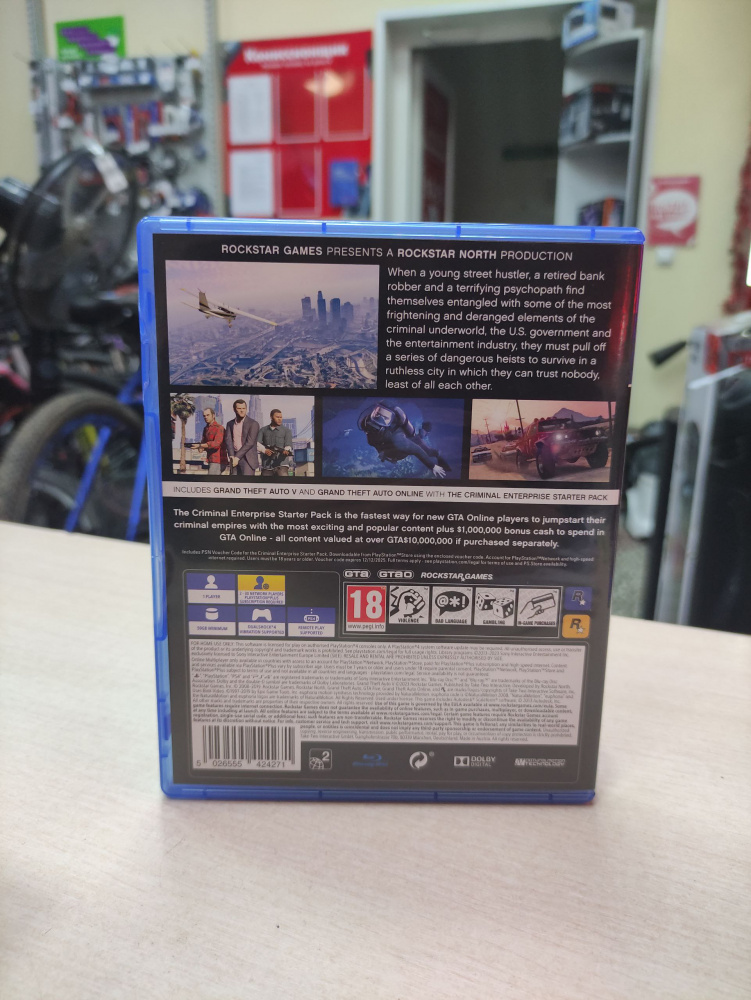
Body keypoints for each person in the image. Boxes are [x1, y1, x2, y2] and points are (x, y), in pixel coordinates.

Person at [357, 401, 450, 477]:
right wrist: (381, 452)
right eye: (378, 412)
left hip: (405, 446)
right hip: (391, 449)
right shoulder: (366, 422)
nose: (379, 418)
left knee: (427, 451)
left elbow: (417, 450)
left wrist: (432, 466)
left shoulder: (397, 439)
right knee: (417, 440)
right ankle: (423, 433)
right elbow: (375, 442)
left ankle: (428, 439)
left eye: (385, 417)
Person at [225, 399, 260, 476]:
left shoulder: (253, 423)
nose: (242, 411)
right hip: (234, 458)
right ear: (234, 409)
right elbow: (228, 440)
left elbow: (250, 442)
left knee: (247, 482)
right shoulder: (230, 424)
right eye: (239, 408)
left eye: (244, 408)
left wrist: (237, 457)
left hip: (248, 459)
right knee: (233, 482)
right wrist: (231, 456)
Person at [258, 408, 293, 477]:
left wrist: (286, 451)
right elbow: (257, 443)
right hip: (267, 466)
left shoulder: (287, 431)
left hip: (281, 464)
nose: (280, 419)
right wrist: (264, 450)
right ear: (271, 417)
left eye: (281, 417)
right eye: (277, 417)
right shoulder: (263, 430)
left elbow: (288, 445)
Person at [195, 407, 228, 475]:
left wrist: (200, 445)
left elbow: (216, 444)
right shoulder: (206, 429)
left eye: (208, 415)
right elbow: (204, 444)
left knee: (211, 479)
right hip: (211, 460)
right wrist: (200, 447)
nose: (206, 417)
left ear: (213, 415)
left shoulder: (219, 428)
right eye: (204, 416)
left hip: (218, 460)